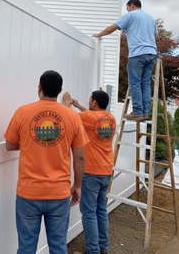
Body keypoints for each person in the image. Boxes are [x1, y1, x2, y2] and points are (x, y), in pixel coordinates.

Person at [4, 70, 88, 254]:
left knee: (26, 247)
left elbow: (9, 145)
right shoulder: (73, 117)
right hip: (59, 193)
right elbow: (80, 155)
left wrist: (28, 142)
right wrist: (78, 186)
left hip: (28, 192)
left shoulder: (22, 112)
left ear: (39, 88)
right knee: (58, 246)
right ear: (60, 91)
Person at [63, 91, 115, 254]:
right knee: (101, 209)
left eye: (90, 99)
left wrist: (66, 102)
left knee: (89, 212)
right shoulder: (110, 118)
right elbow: (93, 117)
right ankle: (103, 246)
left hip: (92, 172)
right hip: (106, 170)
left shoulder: (89, 118)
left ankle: (93, 250)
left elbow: (66, 116)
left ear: (94, 103)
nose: (89, 100)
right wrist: (78, 106)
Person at [92, 0, 158, 122]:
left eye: (127, 8)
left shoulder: (130, 15)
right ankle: (146, 112)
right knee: (145, 83)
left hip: (137, 54)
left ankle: (138, 112)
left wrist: (99, 34)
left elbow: (113, 27)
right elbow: (157, 36)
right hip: (151, 54)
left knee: (135, 83)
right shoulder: (151, 18)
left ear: (131, 6)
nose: (127, 11)